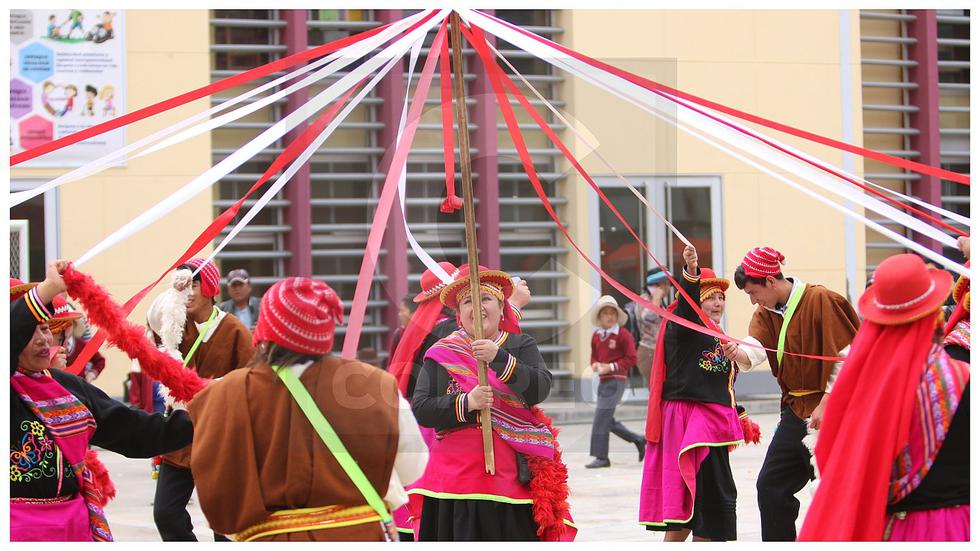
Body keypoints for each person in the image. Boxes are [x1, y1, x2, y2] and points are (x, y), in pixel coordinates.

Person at [188, 277, 427, 541]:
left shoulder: (228, 393)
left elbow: (216, 493)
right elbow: (412, 467)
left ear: (266, 330)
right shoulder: (375, 385)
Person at [10, 261, 194, 541]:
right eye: (30, 330)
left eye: (46, 328)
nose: (42, 339)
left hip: (73, 528)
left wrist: (204, 416)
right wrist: (47, 289)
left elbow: (133, 431)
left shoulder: (66, 387)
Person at [798, 254, 969, 541]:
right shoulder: (963, 379)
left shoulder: (860, 387)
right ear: (936, 316)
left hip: (886, 529)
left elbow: (833, 460)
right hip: (956, 526)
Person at [410, 265, 575, 541]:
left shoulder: (521, 345)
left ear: (501, 306)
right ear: (459, 315)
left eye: (485, 298)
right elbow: (422, 409)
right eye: (467, 301)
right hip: (455, 483)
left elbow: (539, 389)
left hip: (510, 480)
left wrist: (498, 358)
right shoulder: (442, 353)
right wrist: (467, 403)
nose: (477, 306)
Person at [723, 246, 860, 541]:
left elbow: (848, 356)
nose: (752, 300)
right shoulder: (765, 312)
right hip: (796, 409)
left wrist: (828, 402)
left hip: (834, 412)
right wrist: (737, 352)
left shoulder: (821, 299)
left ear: (770, 281)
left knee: (833, 492)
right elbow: (755, 348)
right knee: (771, 486)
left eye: (753, 292)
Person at [638, 245, 745, 541]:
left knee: (703, 508)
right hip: (691, 423)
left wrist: (739, 413)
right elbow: (687, 305)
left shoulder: (717, 335)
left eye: (721, 297)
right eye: (710, 297)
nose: (718, 303)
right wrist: (691, 270)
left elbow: (719, 382)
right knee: (702, 506)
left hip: (710, 424)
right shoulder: (683, 325)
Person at [152, 258, 255, 541]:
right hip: (179, 436)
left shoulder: (234, 329)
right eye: (182, 285)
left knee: (225, 524)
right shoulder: (173, 325)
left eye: (193, 284)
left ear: (209, 287)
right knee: (166, 514)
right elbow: (153, 315)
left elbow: (254, 379)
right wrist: (174, 293)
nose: (187, 291)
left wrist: (218, 388)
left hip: (221, 438)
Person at [586, 294, 645, 469]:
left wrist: (610, 367)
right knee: (606, 418)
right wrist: (596, 365)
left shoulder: (623, 335)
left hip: (617, 380)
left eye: (613, 313)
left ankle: (602, 457)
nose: (610, 316)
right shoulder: (597, 336)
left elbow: (631, 358)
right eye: (605, 313)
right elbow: (594, 357)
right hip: (603, 380)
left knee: (600, 417)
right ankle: (639, 440)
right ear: (599, 317)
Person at [628, 268, 669, 387]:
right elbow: (648, 317)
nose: (668, 286)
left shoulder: (659, 303)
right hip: (649, 351)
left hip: (657, 350)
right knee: (656, 391)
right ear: (658, 285)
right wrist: (656, 297)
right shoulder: (646, 300)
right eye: (666, 283)